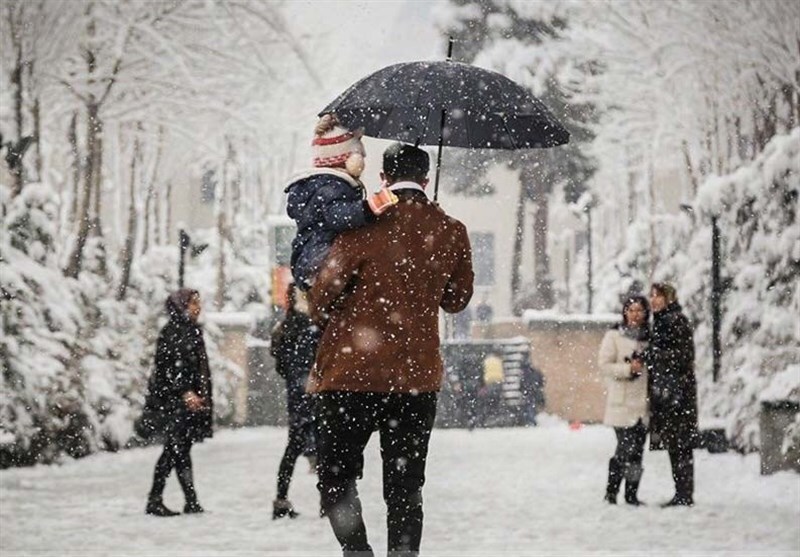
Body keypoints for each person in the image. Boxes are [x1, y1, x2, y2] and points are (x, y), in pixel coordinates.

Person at [307, 142, 474, 556]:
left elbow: (320, 297)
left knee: (336, 477)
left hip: (350, 378)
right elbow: (456, 299)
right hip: (414, 380)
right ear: (426, 179)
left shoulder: (361, 226)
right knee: (405, 486)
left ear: (383, 178)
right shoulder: (450, 230)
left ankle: (356, 549)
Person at [285, 113, 399, 290]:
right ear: (350, 160)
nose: (364, 156)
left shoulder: (322, 187)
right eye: (359, 153)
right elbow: (338, 215)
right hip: (321, 261)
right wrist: (369, 208)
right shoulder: (332, 188)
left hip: (310, 259)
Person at [144, 289, 213, 517]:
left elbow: (194, 367)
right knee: (174, 450)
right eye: (193, 303)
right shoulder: (174, 332)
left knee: (181, 449)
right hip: (175, 403)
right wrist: (184, 392)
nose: (198, 307)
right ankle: (155, 499)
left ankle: (190, 501)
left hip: (187, 401)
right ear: (181, 306)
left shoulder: (190, 331)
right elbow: (170, 369)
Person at [270, 283, 321, 519]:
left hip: (301, 394)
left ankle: (281, 499)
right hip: (311, 393)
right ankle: (327, 500)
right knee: (320, 446)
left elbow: (282, 365)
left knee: (296, 446)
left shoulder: (287, 327)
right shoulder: (309, 327)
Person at [645, 282, 698, 507]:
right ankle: (682, 492)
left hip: (678, 394)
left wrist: (655, 355)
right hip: (670, 393)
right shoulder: (662, 321)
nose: (653, 300)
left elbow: (684, 355)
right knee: (675, 443)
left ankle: (684, 494)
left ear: (669, 298)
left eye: (658, 296)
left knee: (680, 444)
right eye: (652, 296)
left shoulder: (675, 321)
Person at [598, 295, 650, 506]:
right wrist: (628, 369)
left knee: (637, 452)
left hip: (642, 405)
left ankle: (632, 494)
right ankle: (611, 492)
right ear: (625, 313)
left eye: (640, 310)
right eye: (631, 310)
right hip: (621, 403)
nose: (635, 314)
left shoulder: (650, 337)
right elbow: (604, 365)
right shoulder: (614, 336)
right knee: (624, 449)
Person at [479, 351, 505, 427]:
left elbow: (482, 371)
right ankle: (496, 415)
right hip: (498, 381)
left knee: (489, 400)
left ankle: (489, 416)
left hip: (489, 381)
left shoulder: (486, 361)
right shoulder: (499, 360)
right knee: (497, 399)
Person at [518, 359, 545, 426]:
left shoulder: (524, 374)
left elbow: (522, 384)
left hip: (528, 392)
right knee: (532, 406)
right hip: (534, 391)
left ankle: (531, 421)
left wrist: (522, 389)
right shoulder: (534, 372)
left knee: (529, 406)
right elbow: (541, 380)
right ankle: (532, 420)